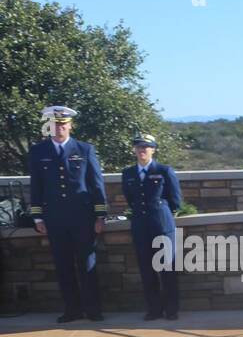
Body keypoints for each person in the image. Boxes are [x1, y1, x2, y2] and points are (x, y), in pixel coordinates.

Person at [27, 106, 107, 323]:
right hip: (55, 219)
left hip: (83, 217)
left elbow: (96, 185)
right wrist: (38, 217)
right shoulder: (38, 152)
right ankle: (72, 310)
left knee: (87, 264)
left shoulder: (85, 149)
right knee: (63, 266)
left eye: (63, 124)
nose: (59, 128)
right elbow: (36, 186)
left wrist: (100, 215)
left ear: (70, 125)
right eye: (55, 124)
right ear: (49, 126)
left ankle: (93, 309)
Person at [122, 134, 183, 320]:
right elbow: (131, 199)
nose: (142, 150)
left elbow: (175, 200)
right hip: (141, 227)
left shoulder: (164, 170)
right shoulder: (129, 173)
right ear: (134, 150)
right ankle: (154, 309)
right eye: (139, 147)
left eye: (146, 147)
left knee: (167, 269)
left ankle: (171, 309)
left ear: (153, 149)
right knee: (147, 271)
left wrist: (162, 216)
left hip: (162, 226)